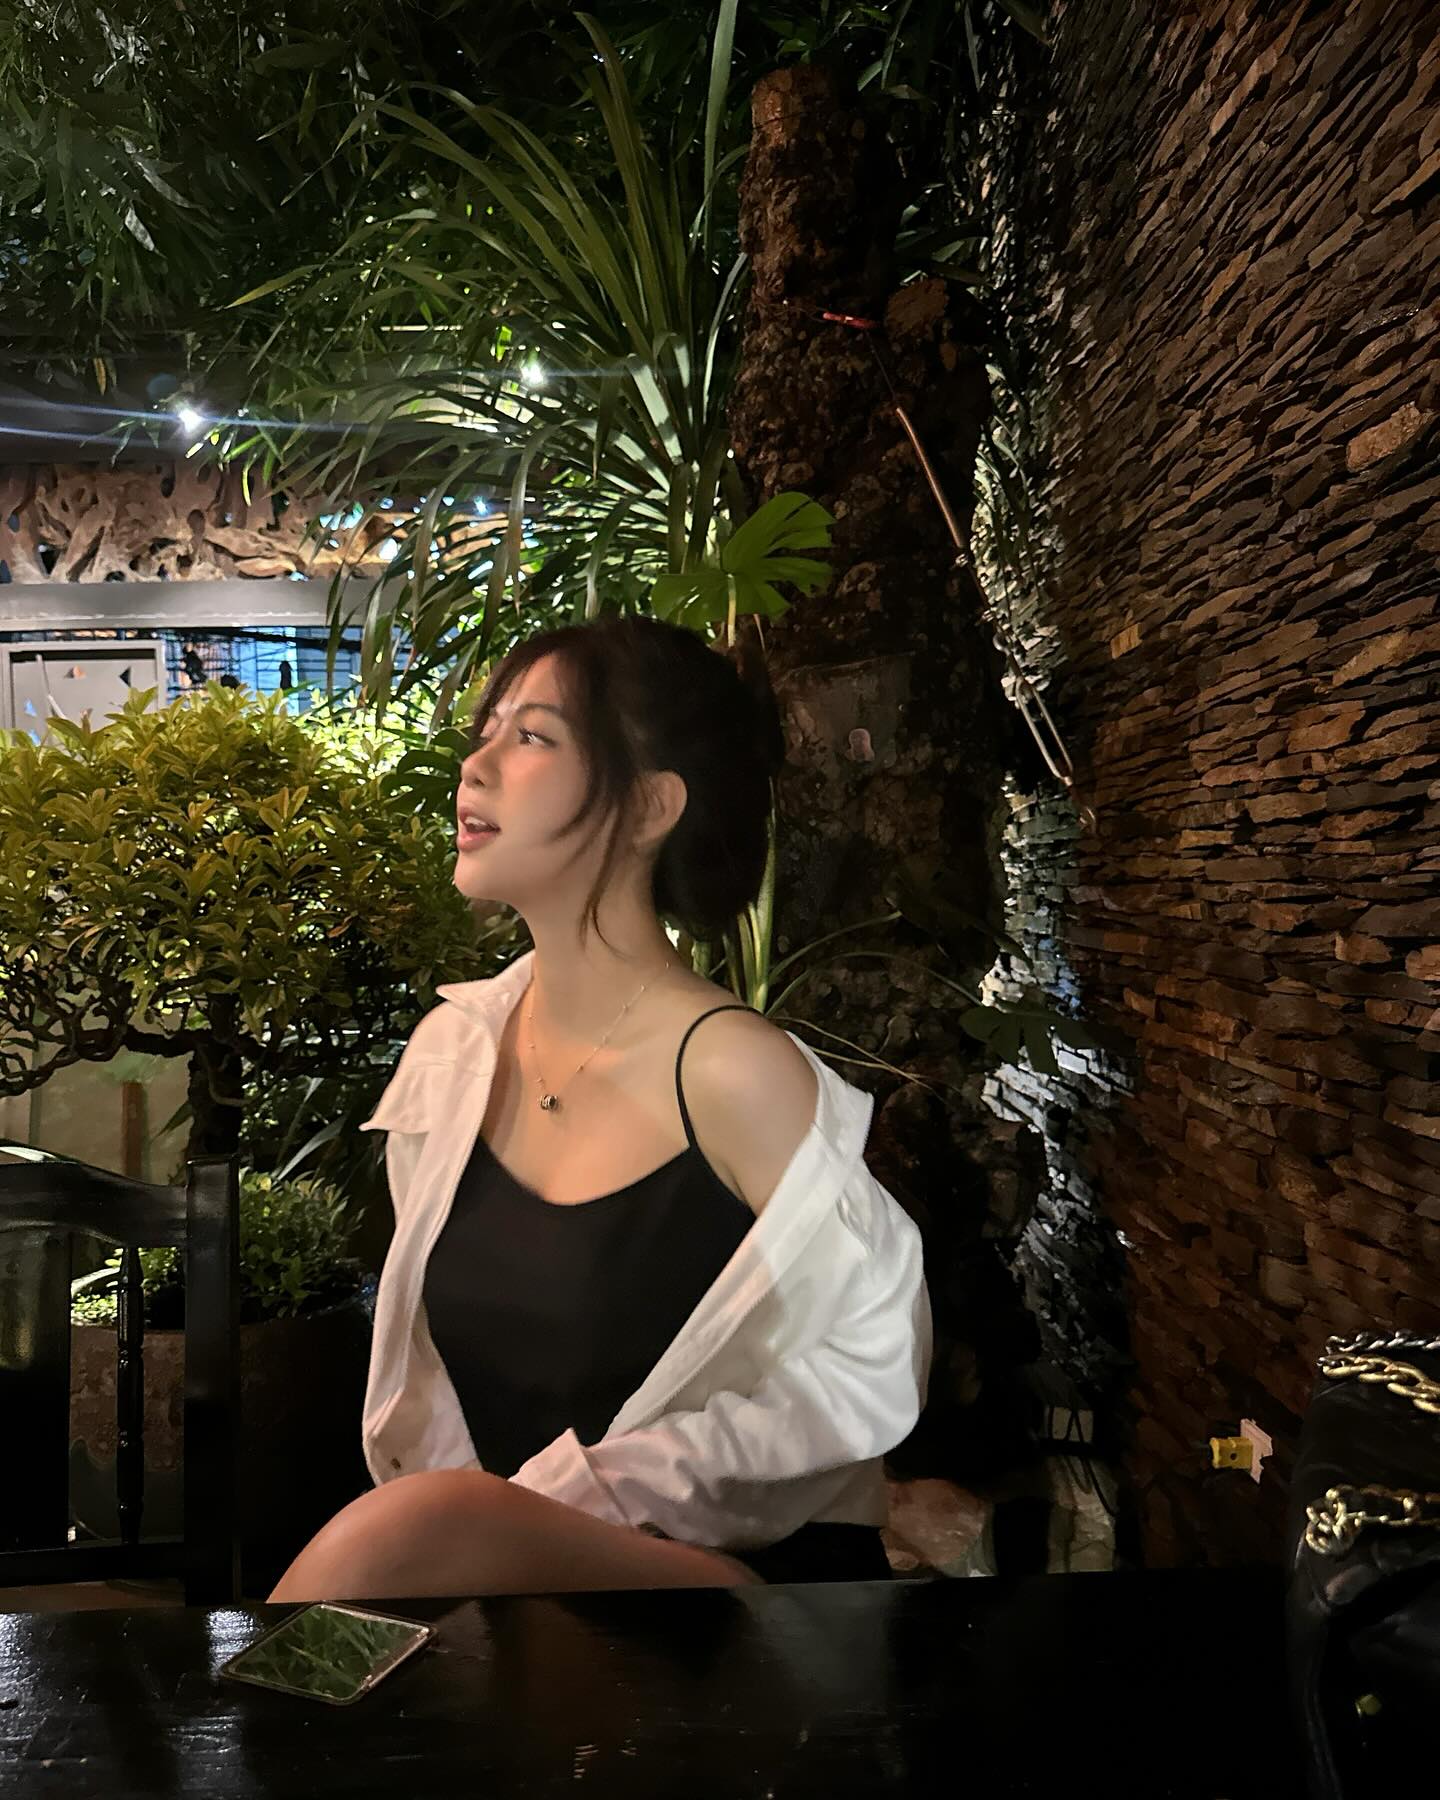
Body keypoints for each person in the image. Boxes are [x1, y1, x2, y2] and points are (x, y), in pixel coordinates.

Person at [270, 614, 931, 1602]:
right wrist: (503, 1532)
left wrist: (578, 1501)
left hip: (740, 1614)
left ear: (651, 805)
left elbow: (873, 1357)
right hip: (532, 1610)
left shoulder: (732, 1070)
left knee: (406, 1530)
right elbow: (433, 1394)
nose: (475, 766)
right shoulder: (456, 1054)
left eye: (531, 737)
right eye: (485, 733)